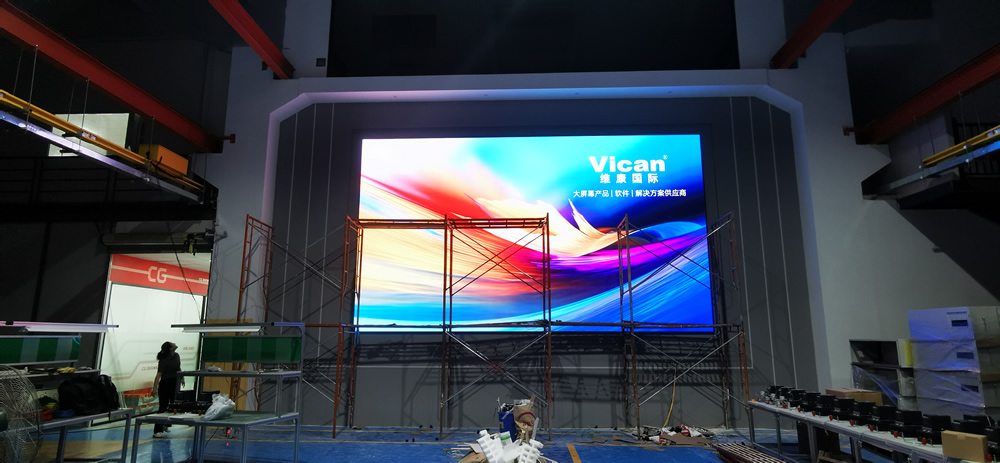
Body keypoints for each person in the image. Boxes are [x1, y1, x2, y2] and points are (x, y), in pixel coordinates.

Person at [151, 341, 184, 438]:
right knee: (163, 407)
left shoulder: (177, 355)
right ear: (170, 348)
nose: (175, 343)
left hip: (175, 382)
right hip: (165, 383)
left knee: (173, 405)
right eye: (172, 343)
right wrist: (155, 388)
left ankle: (167, 424)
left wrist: (182, 378)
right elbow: (158, 375)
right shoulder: (163, 359)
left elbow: (178, 368)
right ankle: (157, 429)